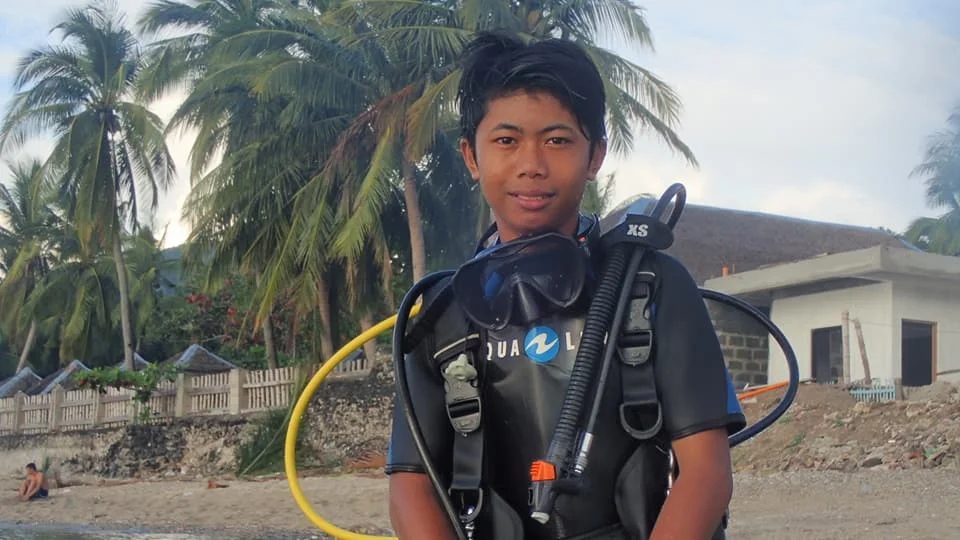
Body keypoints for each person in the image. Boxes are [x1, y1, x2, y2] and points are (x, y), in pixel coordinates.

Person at [385, 31, 746, 540]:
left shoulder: (650, 289)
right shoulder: (443, 317)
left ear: (595, 154)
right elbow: (410, 488)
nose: (531, 164)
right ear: (471, 155)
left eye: (557, 140)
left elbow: (706, 472)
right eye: (506, 141)